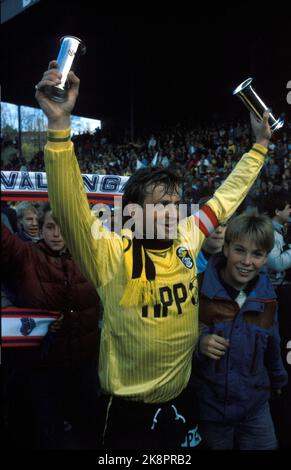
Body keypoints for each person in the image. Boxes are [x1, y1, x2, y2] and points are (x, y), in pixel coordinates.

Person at [36, 60, 272, 449]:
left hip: (183, 400)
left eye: (176, 202)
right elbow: (69, 207)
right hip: (128, 411)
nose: (171, 211)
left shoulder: (186, 237)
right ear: (133, 211)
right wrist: (59, 128)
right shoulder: (108, 253)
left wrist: (260, 148)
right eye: (160, 203)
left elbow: (226, 198)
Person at [2, 202, 101, 449]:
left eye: (63, 227)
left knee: (89, 429)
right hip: (44, 367)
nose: (57, 234)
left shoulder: (92, 256)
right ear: (41, 228)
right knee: (48, 433)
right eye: (50, 226)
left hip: (85, 364)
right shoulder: (26, 254)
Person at [192, 212, 288, 449]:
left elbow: (273, 346)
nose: (247, 261)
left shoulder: (268, 298)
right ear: (225, 249)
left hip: (255, 408)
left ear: (266, 258)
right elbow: (174, 343)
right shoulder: (198, 289)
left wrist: (278, 380)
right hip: (210, 410)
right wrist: (199, 344)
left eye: (257, 254)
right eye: (239, 250)